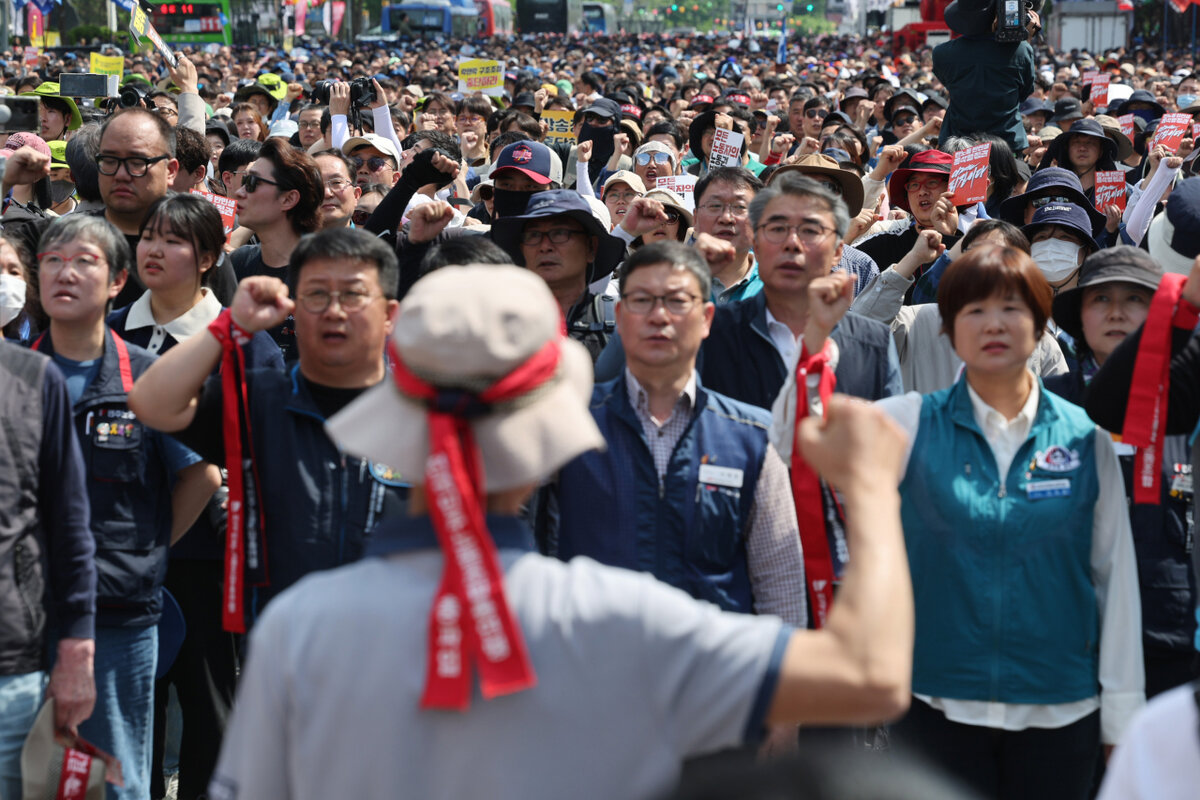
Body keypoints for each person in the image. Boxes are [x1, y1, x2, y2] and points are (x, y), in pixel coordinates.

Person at [206, 262, 915, 800]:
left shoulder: (299, 627)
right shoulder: (610, 617)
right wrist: (874, 491)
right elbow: (869, 678)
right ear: (545, 446)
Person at [880, 244, 1144, 800]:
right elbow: (796, 441)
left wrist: (1122, 721)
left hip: (1060, 711)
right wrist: (814, 338)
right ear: (948, 329)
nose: (993, 324)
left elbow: (1114, 580)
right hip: (936, 705)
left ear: (1042, 325)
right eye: (973, 310)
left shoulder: (1085, 435)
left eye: (1012, 308)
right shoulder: (906, 424)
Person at [128, 228, 411, 630]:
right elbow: (151, 402)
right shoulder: (260, 400)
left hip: (397, 652)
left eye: (353, 295)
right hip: (280, 652)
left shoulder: (425, 415)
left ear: (389, 315)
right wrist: (230, 325)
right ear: (294, 307)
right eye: (316, 294)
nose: (334, 310)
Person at [31, 214, 223, 800]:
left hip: (118, 613)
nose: (66, 274)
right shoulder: (16, 373)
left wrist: (148, 551)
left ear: (118, 280)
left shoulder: (147, 378)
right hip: (23, 616)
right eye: (53, 262)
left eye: (84, 261)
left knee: (115, 778)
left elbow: (201, 474)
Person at [107, 194, 279, 800]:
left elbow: (266, 447)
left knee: (209, 707)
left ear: (208, 257)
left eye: (174, 240)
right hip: (121, 554)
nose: (154, 249)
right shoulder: (112, 331)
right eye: (148, 236)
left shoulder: (245, 342)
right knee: (133, 707)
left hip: (211, 556)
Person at [549, 242, 807, 631]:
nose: (658, 316)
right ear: (619, 316)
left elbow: (780, 585)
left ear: (706, 318)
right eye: (642, 300)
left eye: (676, 301)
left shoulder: (752, 436)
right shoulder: (569, 423)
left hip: (715, 676)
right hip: (595, 671)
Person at [1045, 246, 1198, 699]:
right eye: (1100, 299)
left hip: (1171, 634)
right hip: (1068, 635)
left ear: (1163, 313)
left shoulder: (1189, 401)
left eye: (1135, 299)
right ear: (1079, 316)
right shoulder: (1044, 401)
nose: (1116, 312)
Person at [0, 160, 97, 798]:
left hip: (14, 661)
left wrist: (76, 649)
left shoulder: (36, 380)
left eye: (10, 271)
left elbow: (68, 520)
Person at [489, 189, 627, 362]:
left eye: (560, 233)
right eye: (533, 235)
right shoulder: (499, 326)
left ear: (591, 247)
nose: (545, 246)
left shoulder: (623, 323)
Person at [229, 138, 324, 362]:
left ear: (288, 199)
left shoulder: (327, 273)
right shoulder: (238, 263)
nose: (240, 193)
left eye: (252, 183)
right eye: (243, 182)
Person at [932, 0, 1038, 155]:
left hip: (958, 146)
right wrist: (1023, 40)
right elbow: (1024, 93)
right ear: (997, 14)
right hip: (1007, 146)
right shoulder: (1021, 50)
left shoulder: (942, 53)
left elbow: (949, 82)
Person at [314, 150, 362, 230]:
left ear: (356, 195)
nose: (327, 193)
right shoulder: (289, 242)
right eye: (317, 184)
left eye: (336, 182)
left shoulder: (372, 242)